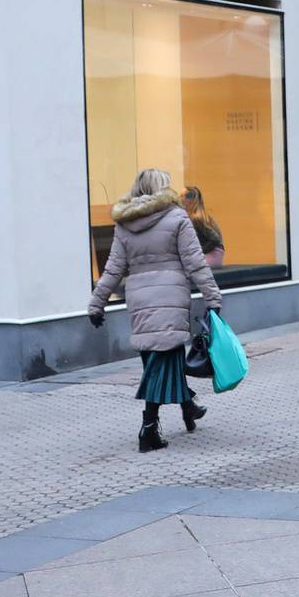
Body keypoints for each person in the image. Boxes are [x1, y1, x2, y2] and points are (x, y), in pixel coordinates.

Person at [86, 168, 222, 453]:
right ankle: (148, 428)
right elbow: (196, 263)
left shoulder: (125, 224)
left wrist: (97, 303)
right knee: (162, 362)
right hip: (170, 297)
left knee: (157, 358)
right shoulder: (176, 218)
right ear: (162, 189)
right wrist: (213, 298)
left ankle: (188, 408)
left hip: (139, 299)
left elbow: (113, 269)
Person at [180, 185, 225, 268]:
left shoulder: (197, 218)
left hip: (214, 254)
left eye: (182, 196)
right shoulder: (190, 216)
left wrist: (200, 251)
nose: (179, 199)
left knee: (189, 266)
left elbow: (215, 239)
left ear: (190, 199)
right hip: (208, 253)